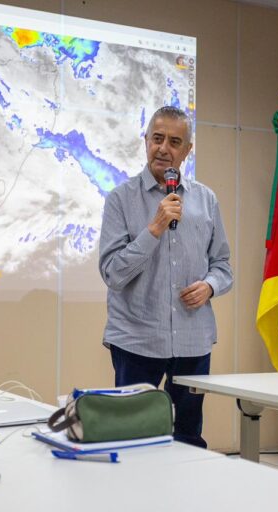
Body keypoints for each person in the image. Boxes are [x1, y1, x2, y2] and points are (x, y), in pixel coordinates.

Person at [99, 106, 233, 448]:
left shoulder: (206, 200)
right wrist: (155, 228)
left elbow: (223, 266)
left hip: (192, 341)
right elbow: (113, 273)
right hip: (136, 339)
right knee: (131, 436)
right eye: (157, 138)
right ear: (145, 142)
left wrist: (209, 286)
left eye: (175, 141)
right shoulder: (120, 199)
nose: (164, 148)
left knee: (188, 437)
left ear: (187, 150)